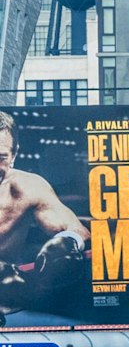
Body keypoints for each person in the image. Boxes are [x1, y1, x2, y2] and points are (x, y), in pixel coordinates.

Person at [0, 111, 91, 321]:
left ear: (13, 156)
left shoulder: (27, 188)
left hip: (9, 308)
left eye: (0, 158)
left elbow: (77, 230)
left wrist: (64, 244)